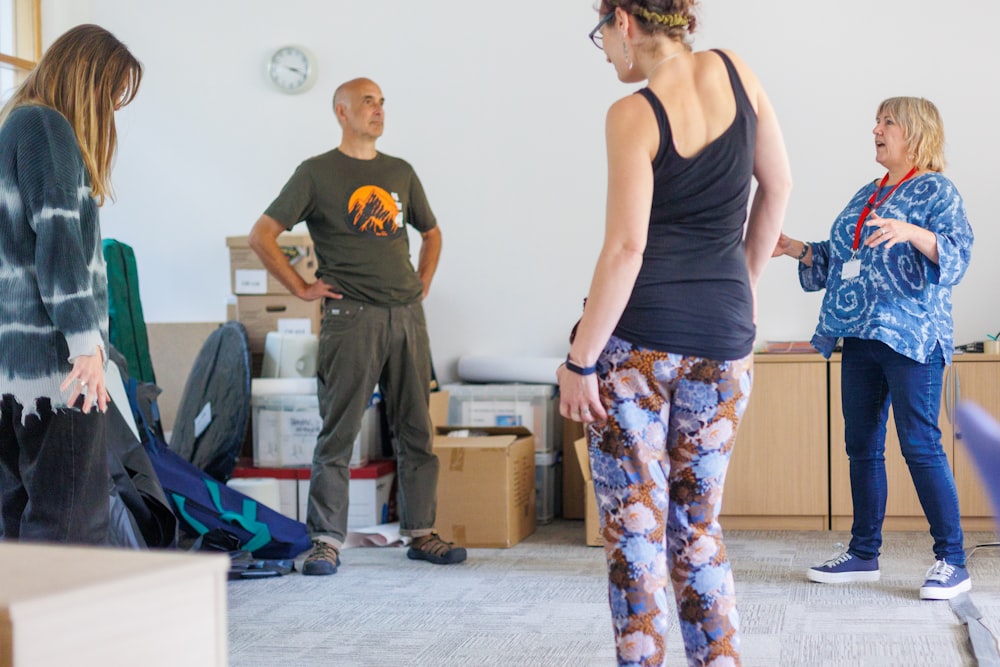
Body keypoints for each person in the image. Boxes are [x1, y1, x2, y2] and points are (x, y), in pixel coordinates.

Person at [557, 2, 791, 664]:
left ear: (625, 20)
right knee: (698, 526)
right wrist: (739, 290)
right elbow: (778, 188)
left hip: (638, 345)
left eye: (602, 33)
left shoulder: (632, 113)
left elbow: (627, 248)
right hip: (725, 343)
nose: (604, 49)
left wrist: (579, 362)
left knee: (636, 531)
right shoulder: (738, 73)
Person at [249, 77, 465, 576]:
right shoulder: (316, 173)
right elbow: (263, 235)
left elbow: (431, 232)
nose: (378, 109)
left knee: (415, 428)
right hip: (352, 318)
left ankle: (422, 532)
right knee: (339, 431)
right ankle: (326, 539)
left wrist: (423, 279)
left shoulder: (400, 172)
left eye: (383, 102)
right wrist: (301, 289)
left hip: (408, 316)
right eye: (368, 102)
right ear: (341, 112)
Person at [773, 96, 974, 600]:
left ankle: (952, 560)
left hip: (912, 338)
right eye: (877, 122)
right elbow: (838, 258)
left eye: (887, 123)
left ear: (916, 132)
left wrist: (913, 231)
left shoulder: (936, 190)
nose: (875, 130)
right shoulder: (868, 193)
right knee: (861, 446)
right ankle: (864, 554)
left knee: (920, 445)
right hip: (860, 334)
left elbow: (956, 256)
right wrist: (794, 247)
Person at [0, 24, 143, 544]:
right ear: (88, 81)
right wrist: (86, 346)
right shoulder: (48, 129)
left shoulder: (13, 126)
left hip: (12, 375)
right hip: (57, 373)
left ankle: (19, 626)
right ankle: (58, 627)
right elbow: (57, 242)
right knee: (70, 521)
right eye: (112, 93)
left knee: (17, 518)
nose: (113, 110)